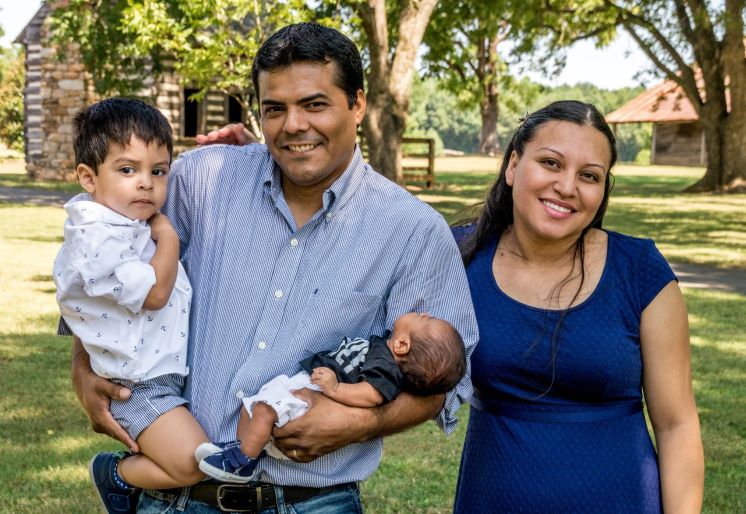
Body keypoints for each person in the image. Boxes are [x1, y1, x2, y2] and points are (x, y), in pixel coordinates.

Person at [67, 22, 477, 513]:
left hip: (312, 501)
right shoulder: (202, 178)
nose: (294, 125)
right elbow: (104, 252)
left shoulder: (413, 231)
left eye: (315, 104)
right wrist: (82, 364)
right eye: (274, 108)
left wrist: (358, 422)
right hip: (172, 498)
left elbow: (443, 383)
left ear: (358, 104)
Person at [452, 100, 704, 513]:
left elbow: (677, 425)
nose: (567, 187)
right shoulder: (459, 256)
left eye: (589, 175)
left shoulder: (639, 272)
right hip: (491, 497)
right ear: (513, 165)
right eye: (551, 163)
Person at [53, 98, 216, 505]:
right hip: (136, 386)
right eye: (128, 170)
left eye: (158, 171)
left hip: (153, 374)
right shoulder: (100, 238)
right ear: (88, 177)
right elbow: (157, 294)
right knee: (193, 464)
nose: (146, 182)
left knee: (195, 459)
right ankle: (115, 474)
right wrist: (170, 239)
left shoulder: (122, 222)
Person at [197, 312, 467, 483]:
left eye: (423, 319)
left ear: (402, 345)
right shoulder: (384, 352)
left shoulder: (385, 368)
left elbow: (371, 396)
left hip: (315, 397)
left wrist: (335, 389)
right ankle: (240, 449)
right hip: (308, 388)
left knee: (265, 411)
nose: (422, 312)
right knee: (254, 408)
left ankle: (243, 463)